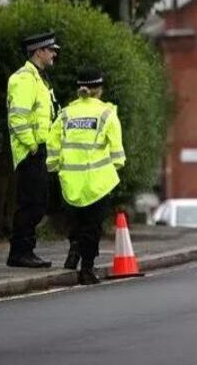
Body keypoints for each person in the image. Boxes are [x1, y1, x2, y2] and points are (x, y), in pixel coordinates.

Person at [45, 68, 126, 285]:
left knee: (75, 221)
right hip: (97, 183)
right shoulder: (107, 114)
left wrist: (54, 166)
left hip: (70, 181)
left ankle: (74, 249)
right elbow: (117, 153)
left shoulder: (66, 114)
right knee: (92, 226)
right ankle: (87, 269)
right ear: (99, 90)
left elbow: (53, 143)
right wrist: (114, 167)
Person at [5, 31, 60, 268]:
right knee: (30, 204)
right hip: (31, 152)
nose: (54, 54)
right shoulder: (24, 79)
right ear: (39, 51)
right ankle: (20, 252)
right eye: (51, 50)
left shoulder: (39, 79)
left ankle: (24, 250)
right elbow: (18, 117)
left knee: (37, 202)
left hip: (40, 150)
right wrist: (32, 145)